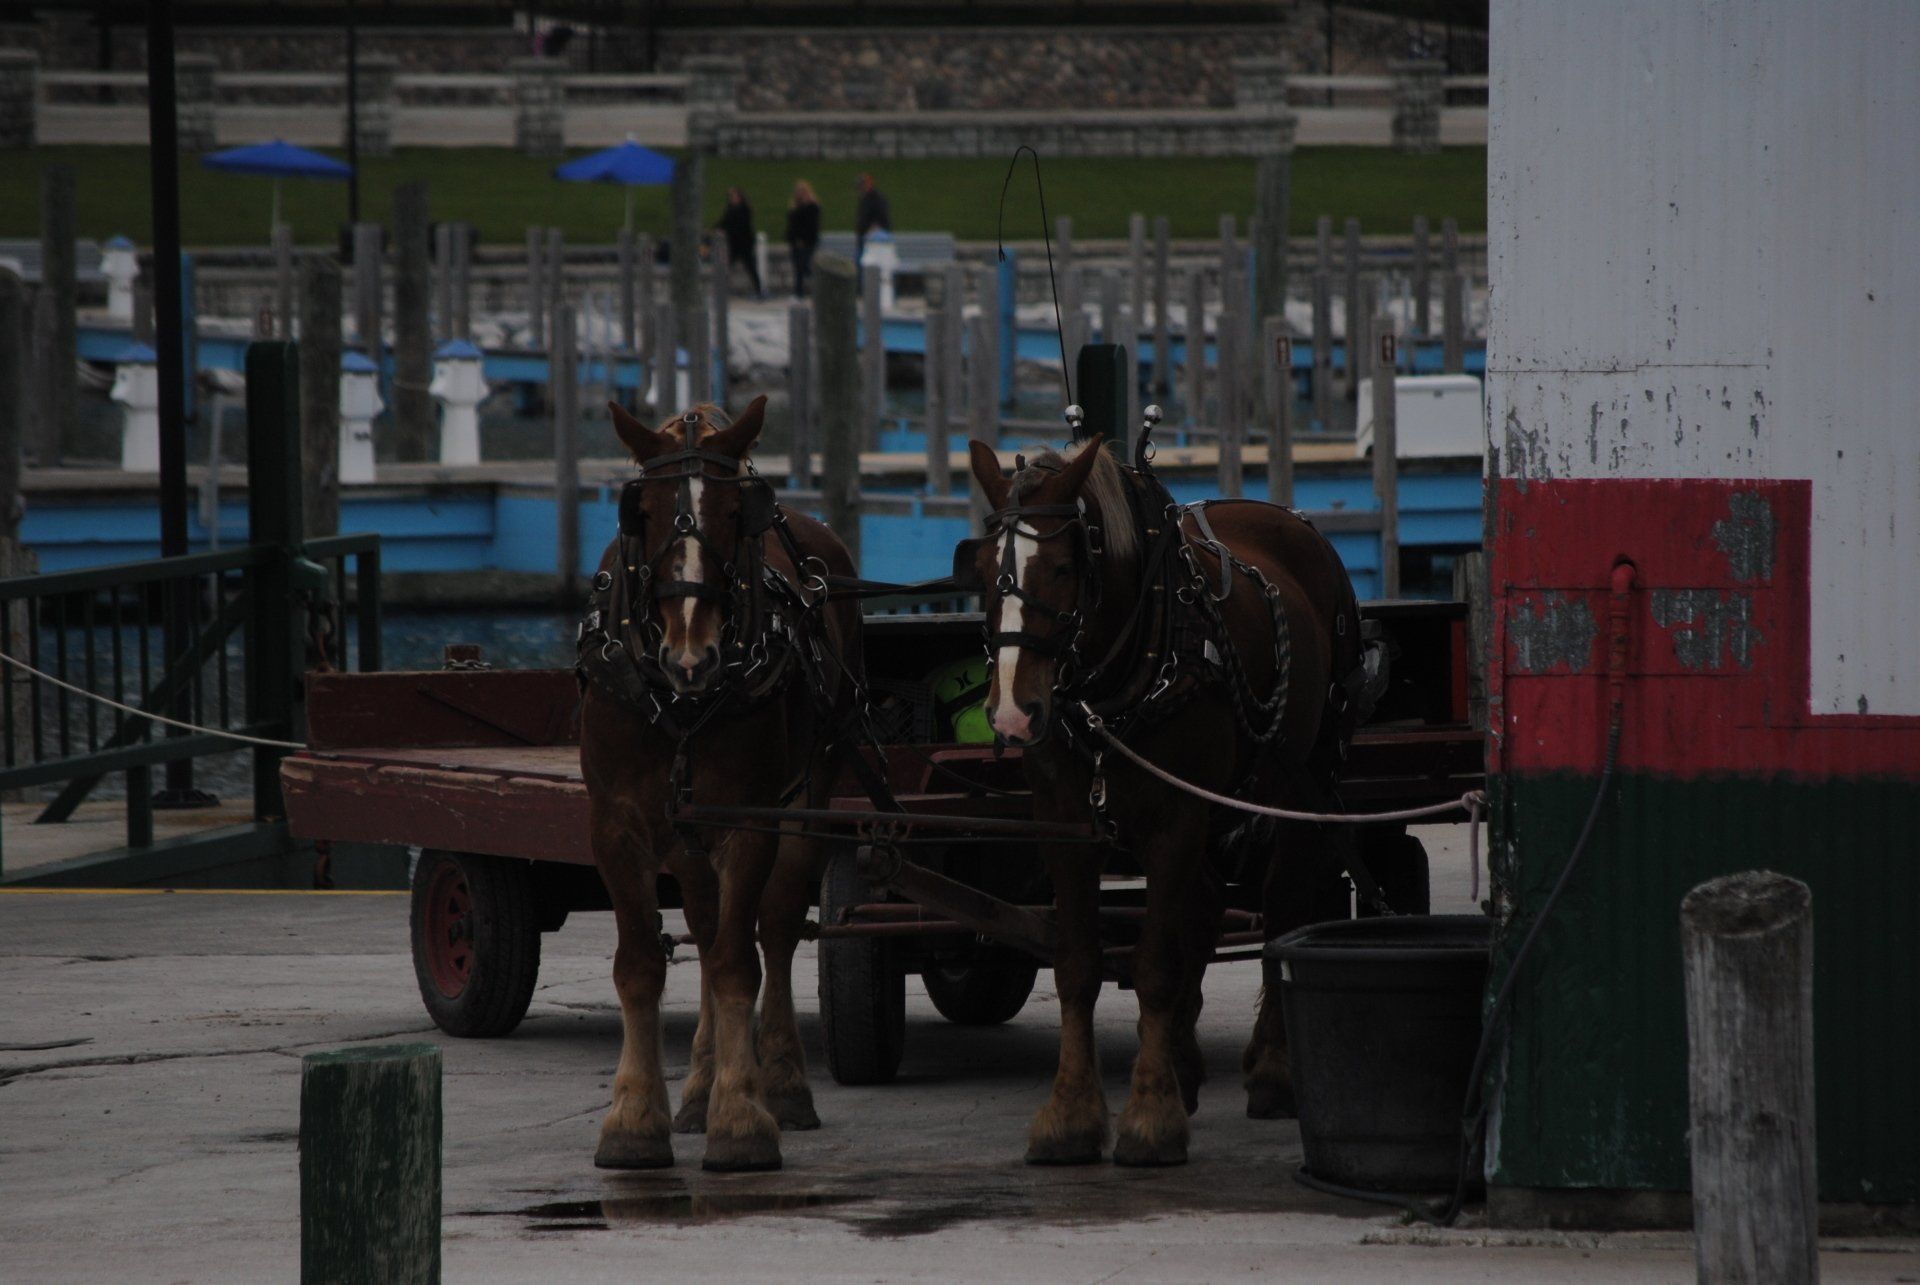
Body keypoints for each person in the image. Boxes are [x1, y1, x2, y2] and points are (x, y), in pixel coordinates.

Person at [715, 186, 762, 298]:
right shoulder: (730, 210)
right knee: (727, 266)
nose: (732, 199)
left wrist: (726, 229)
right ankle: (721, 289)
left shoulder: (744, 210)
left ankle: (758, 289)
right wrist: (715, 228)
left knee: (750, 266)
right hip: (734, 244)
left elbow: (739, 226)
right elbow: (724, 222)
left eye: (734, 196)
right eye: (731, 196)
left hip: (744, 243)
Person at [784, 180, 821, 298]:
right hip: (795, 241)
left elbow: (810, 225)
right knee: (798, 267)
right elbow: (792, 222)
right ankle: (798, 292)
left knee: (804, 266)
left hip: (807, 241)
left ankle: (803, 290)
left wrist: (803, 240)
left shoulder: (812, 206)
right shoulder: (795, 206)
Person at [854, 172, 891, 267]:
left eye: (863, 184)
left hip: (872, 240)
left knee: (868, 265)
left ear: (869, 183)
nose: (861, 187)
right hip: (863, 237)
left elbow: (882, 217)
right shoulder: (864, 198)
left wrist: (873, 229)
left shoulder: (876, 197)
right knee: (860, 264)